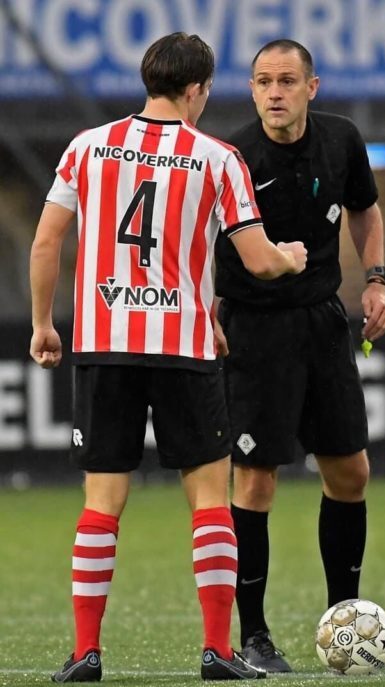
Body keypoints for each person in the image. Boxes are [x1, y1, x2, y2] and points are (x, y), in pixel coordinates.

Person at [30, 32, 307, 683]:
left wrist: (44, 324)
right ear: (196, 90)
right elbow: (261, 259)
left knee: (102, 501)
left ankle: (86, 653)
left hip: (104, 343)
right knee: (210, 498)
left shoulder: (88, 146)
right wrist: (292, 255)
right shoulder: (217, 157)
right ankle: (217, 649)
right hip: (183, 346)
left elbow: (46, 242)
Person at [214, 39, 385, 673]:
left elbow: (366, 211)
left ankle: (345, 623)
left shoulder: (343, 139)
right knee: (256, 479)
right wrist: (207, 311)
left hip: (323, 323)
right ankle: (254, 637)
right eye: (264, 81)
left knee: (351, 474)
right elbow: (199, 240)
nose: (275, 92)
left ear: (312, 87)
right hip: (253, 326)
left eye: (287, 81)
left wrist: (376, 279)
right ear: (251, 91)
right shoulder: (232, 156)